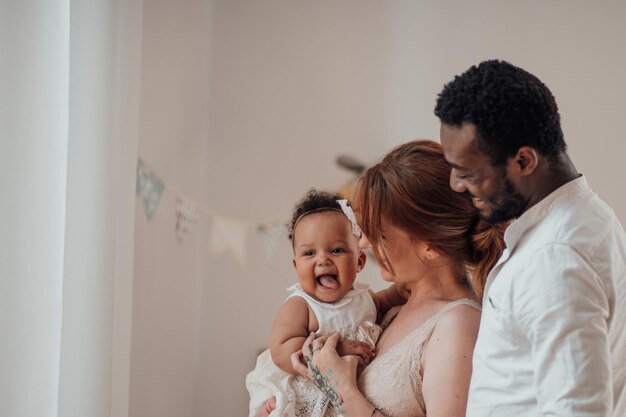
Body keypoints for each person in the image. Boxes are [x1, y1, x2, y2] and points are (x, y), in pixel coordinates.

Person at [434, 59, 626, 416]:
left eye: (467, 173)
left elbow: (576, 410)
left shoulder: (557, 256)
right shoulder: (581, 217)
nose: (455, 185)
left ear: (523, 161)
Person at [292, 140, 506, 417]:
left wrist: (341, 389)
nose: (365, 243)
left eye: (379, 234)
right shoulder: (393, 305)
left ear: (429, 244)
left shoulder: (457, 326)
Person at [246, 189, 408, 417]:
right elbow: (281, 350)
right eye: (309, 253)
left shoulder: (362, 298)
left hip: (343, 398)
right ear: (296, 266)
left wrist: (397, 293)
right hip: (306, 387)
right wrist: (336, 349)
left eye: (336, 250)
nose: (323, 260)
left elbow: (379, 304)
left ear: (359, 261)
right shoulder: (302, 305)